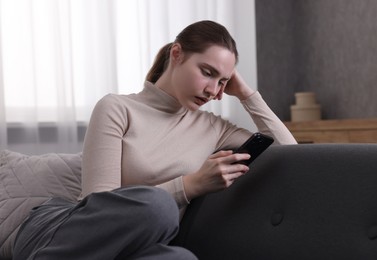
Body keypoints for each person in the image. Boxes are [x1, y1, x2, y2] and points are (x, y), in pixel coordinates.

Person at [13, 20, 297, 259]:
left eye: (223, 82)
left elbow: (290, 154)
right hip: (64, 231)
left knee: (180, 258)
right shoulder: (117, 108)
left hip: (134, 246)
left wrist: (247, 94)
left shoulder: (214, 128)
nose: (213, 90)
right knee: (157, 206)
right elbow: (99, 204)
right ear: (177, 54)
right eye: (207, 73)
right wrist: (190, 185)